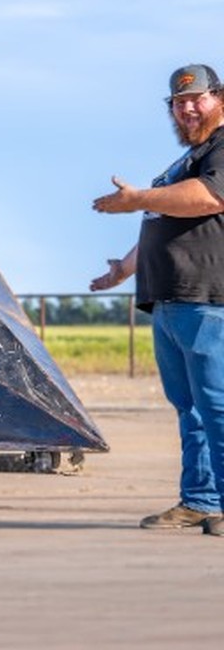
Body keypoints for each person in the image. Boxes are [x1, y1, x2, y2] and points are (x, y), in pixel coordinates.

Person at [91, 63, 224, 535]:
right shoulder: (187, 159)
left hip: (208, 299)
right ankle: (200, 501)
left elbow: (208, 198)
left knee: (217, 405)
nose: (188, 108)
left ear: (219, 99)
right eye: (179, 102)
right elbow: (163, 213)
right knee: (189, 407)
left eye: (197, 99)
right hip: (169, 300)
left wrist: (138, 198)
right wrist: (125, 269)